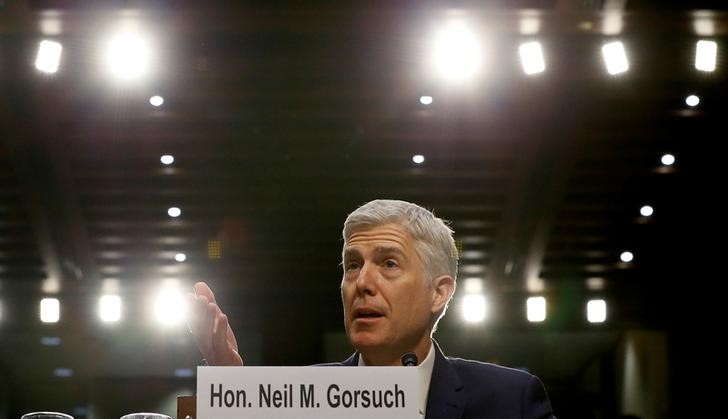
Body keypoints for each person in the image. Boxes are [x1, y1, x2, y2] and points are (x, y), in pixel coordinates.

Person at [187, 199, 556, 419]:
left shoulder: (510, 401)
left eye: (389, 264)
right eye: (352, 265)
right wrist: (229, 392)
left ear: (438, 293)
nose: (362, 282)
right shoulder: (301, 400)